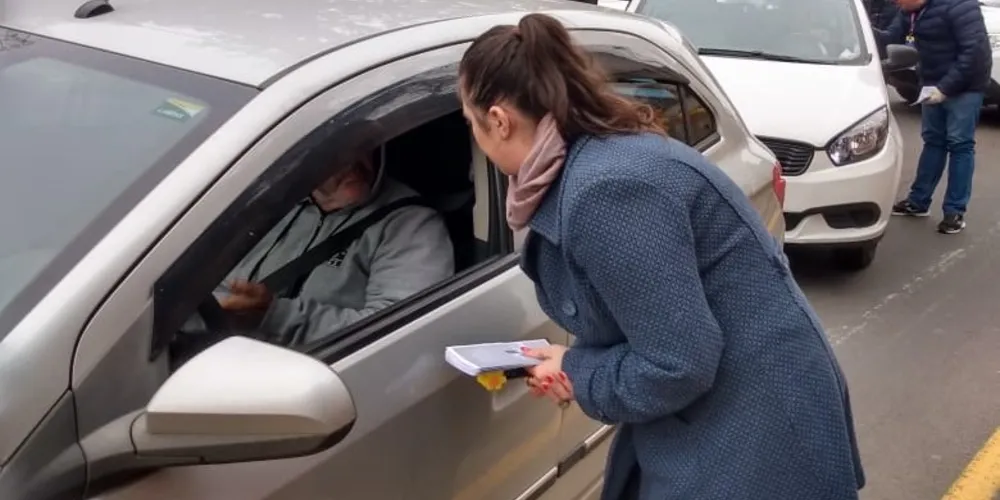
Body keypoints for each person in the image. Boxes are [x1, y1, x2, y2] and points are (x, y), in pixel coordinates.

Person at [459, 13, 865, 500]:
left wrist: (578, 370)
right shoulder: (596, 161)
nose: (476, 140)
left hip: (753, 435)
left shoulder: (607, 190)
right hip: (729, 416)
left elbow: (679, 364)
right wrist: (571, 361)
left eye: (472, 125)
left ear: (499, 120)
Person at [213, 146, 454, 346]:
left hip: (318, 375)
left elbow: (399, 331)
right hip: (218, 352)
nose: (353, 161)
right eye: (336, 152)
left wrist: (275, 316)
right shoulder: (271, 202)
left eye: (363, 145)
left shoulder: (409, 224)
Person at [877, 0, 991, 234]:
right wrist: (859, 33)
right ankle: (918, 202)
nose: (896, 3)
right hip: (932, 83)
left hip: (966, 86)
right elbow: (890, 37)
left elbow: (973, 51)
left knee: (960, 144)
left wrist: (946, 88)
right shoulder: (911, 10)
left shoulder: (961, 6)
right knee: (933, 141)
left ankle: (954, 211)